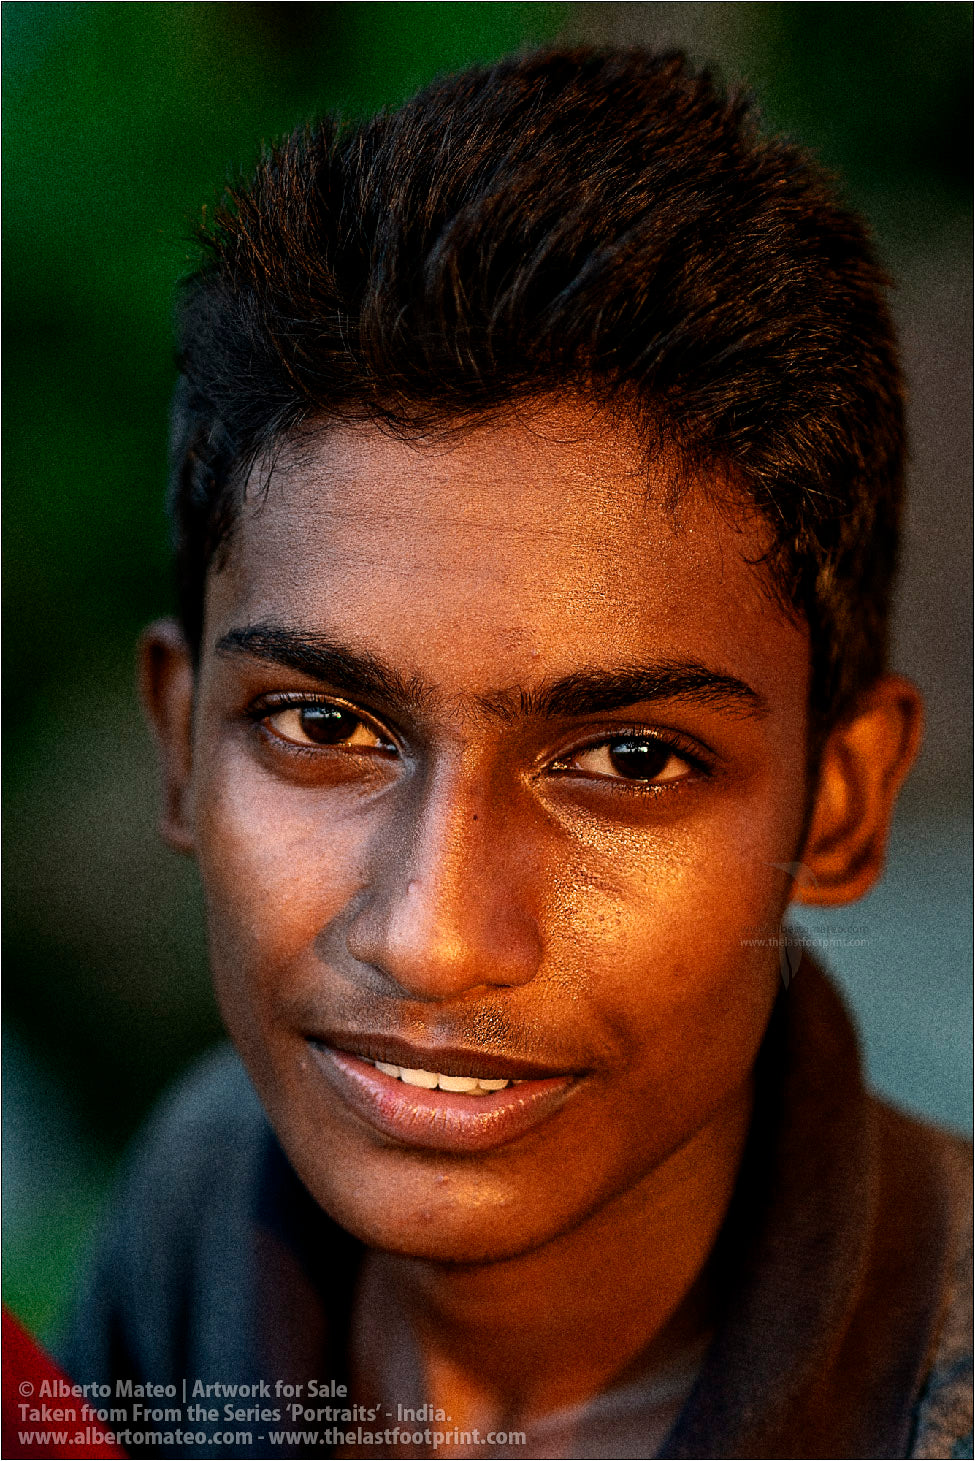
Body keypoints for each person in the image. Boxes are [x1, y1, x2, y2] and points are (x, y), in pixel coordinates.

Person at [58, 47, 971, 1460]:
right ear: (181, 740)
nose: (432, 941)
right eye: (324, 726)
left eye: (632, 760)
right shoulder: (207, 1202)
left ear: (840, 802)